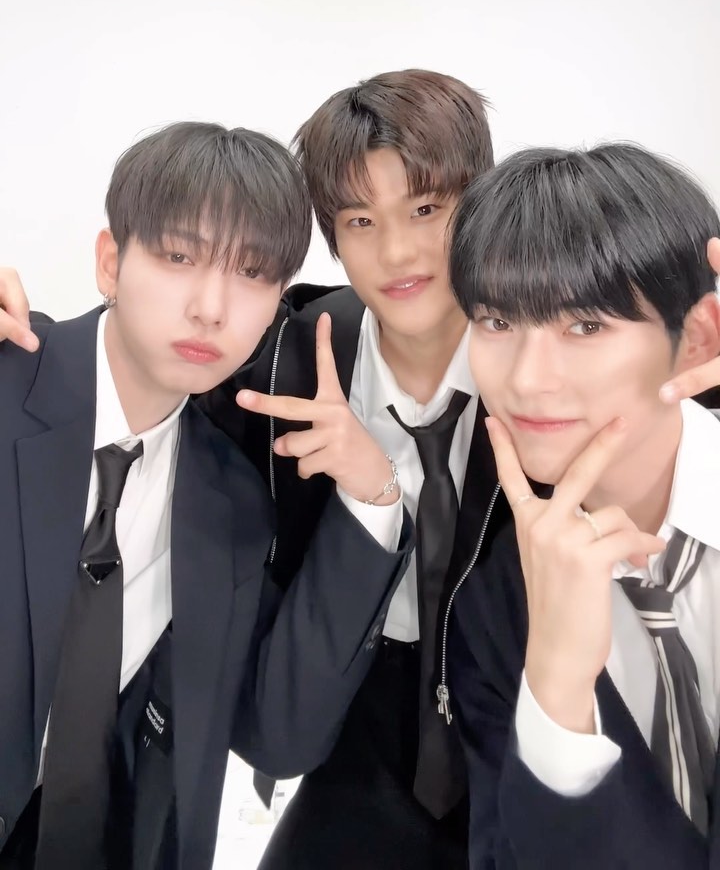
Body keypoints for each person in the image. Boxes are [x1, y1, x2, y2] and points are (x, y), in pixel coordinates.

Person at [1, 69, 498, 870]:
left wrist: (375, 497)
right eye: (179, 257)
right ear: (110, 261)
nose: (210, 307)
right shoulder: (248, 391)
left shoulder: (226, 492)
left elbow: (276, 732)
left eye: (252, 275)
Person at [446, 142, 720, 869]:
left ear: (697, 338)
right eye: (497, 321)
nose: (528, 380)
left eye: (586, 325)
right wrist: (557, 690)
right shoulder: (492, 597)